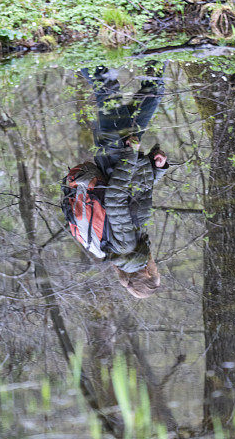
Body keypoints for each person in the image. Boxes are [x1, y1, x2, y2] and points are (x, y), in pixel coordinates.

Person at [61, 65, 169, 298]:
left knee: (107, 86)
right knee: (151, 90)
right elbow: (135, 196)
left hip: (116, 151)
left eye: (156, 271)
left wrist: (131, 156)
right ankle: (150, 48)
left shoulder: (126, 247)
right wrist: (158, 168)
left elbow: (116, 198)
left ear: (148, 274)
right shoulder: (131, 248)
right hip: (121, 150)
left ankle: (77, 49)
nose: (156, 266)